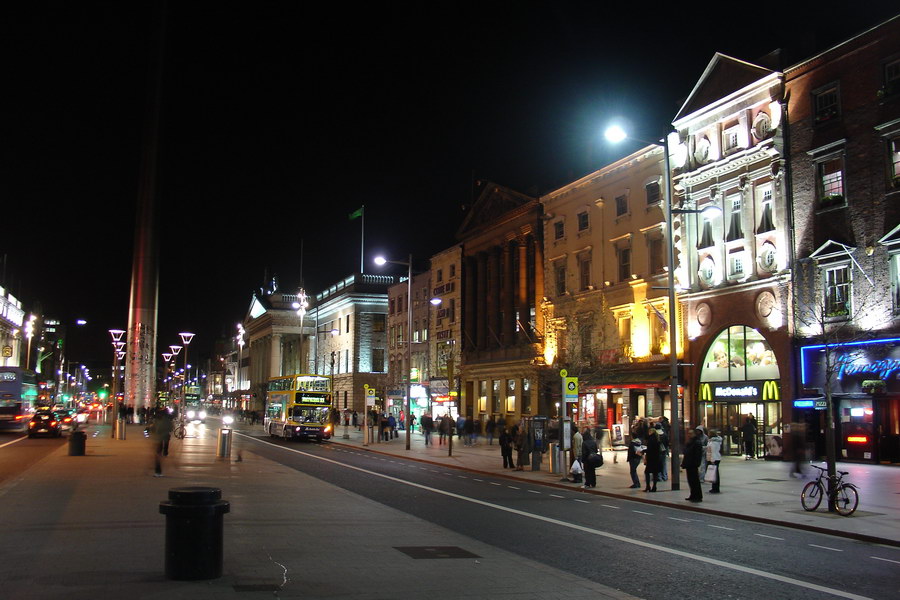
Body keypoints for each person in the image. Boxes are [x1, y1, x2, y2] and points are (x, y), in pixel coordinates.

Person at [150, 408, 174, 477]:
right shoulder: (166, 420)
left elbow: (154, 428)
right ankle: (158, 471)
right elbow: (171, 428)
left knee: (157, 455)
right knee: (158, 454)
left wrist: (150, 431)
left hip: (159, 439)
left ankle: (158, 471)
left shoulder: (159, 420)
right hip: (161, 438)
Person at [682, 427, 704, 502]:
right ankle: (693, 494)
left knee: (694, 480)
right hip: (689, 463)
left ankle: (697, 495)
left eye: (691, 433)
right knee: (691, 480)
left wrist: (697, 463)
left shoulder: (696, 442)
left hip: (693, 464)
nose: (689, 435)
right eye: (688, 433)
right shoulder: (690, 442)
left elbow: (698, 454)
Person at [643, 427, 661, 492]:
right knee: (655, 473)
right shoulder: (657, 439)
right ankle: (654, 486)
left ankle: (648, 486)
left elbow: (650, 449)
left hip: (651, 458)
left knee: (647, 472)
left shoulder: (651, 439)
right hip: (656, 458)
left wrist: (644, 451)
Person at [707, 429, 723, 493]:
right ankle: (714, 487)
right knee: (714, 474)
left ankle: (715, 488)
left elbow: (713, 451)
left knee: (715, 474)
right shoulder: (714, 441)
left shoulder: (714, 442)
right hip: (715, 458)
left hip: (714, 458)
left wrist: (712, 460)